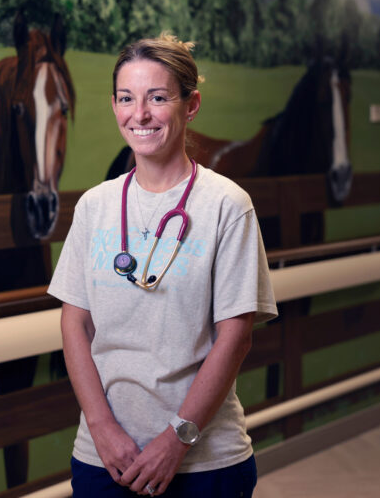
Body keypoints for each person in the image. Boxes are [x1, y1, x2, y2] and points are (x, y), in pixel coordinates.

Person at [48, 33, 278, 497]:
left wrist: (177, 439)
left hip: (206, 465)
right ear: (114, 106)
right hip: (105, 460)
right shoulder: (95, 207)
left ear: (190, 105)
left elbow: (235, 336)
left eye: (158, 98)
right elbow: (75, 324)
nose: (141, 114)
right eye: (127, 99)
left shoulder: (227, 206)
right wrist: (102, 428)